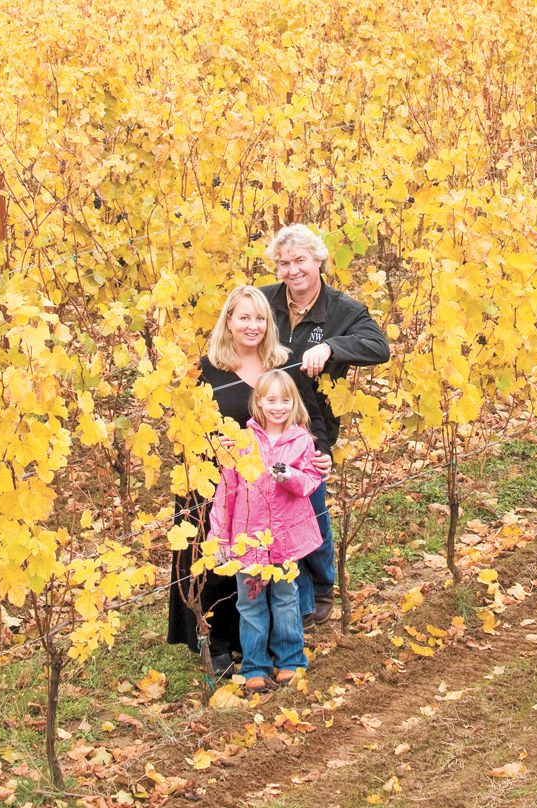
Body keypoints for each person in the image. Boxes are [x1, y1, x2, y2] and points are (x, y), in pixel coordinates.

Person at [166, 286, 329, 676]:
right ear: (229, 321)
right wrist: (209, 443)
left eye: (260, 318)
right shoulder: (206, 370)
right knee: (217, 559)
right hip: (216, 481)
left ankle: (260, 647)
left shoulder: (283, 365)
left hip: (272, 489)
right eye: (244, 317)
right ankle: (218, 643)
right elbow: (182, 430)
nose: (252, 325)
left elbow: (311, 417)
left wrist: (321, 451)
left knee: (265, 566)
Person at [260, 224, 390, 626]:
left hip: (313, 425)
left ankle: (319, 589)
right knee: (270, 503)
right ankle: (281, 592)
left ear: (318, 260)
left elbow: (378, 346)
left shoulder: (342, 310)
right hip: (264, 421)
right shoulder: (265, 300)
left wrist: (332, 346)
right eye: (283, 263)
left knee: (310, 505)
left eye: (300, 260)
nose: (292, 270)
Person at [208, 370, 322, 692]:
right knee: (251, 603)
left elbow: (310, 481)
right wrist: (219, 535)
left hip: (285, 540)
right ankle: (255, 665)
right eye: (271, 400)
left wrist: (290, 477)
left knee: (286, 598)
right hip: (248, 540)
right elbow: (226, 490)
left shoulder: (301, 441)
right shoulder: (243, 442)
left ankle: (290, 661)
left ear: (293, 403)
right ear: (258, 402)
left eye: (285, 400)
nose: (278, 407)